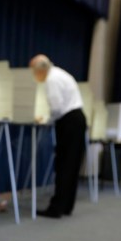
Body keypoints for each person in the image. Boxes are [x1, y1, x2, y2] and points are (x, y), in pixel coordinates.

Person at [29, 54, 87, 218]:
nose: (33, 75)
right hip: (77, 119)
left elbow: (56, 107)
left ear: (40, 68)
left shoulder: (51, 79)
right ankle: (66, 206)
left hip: (68, 122)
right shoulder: (60, 73)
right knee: (72, 165)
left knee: (64, 165)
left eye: (33, 70)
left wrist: (46, 120)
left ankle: (56, 208)